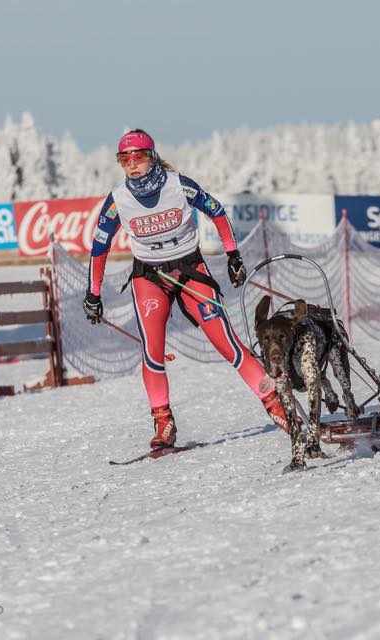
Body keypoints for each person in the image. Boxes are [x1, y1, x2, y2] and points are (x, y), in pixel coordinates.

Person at [83, 129, 290, 449]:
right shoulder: (118, 200)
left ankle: (277, 406)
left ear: (151, 157)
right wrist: (93, 293)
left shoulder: (177, 184)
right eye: (124, 159)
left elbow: (217, 212)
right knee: (152, 352)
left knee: (228, 345)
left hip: (191, 271)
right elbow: (99, 247)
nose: (132, 164)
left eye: (138, 157)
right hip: (149, 279)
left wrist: (233, 255)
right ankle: (163, 421)